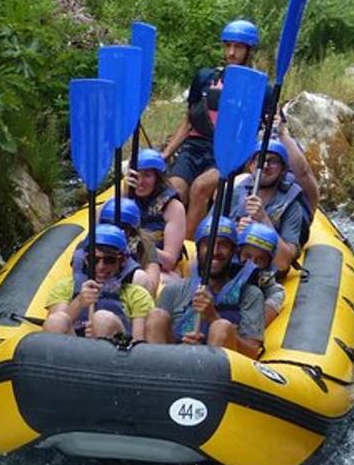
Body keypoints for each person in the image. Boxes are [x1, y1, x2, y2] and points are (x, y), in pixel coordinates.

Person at [160, 19, 274, 239]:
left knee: (200, 187)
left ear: (249, 51)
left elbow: (266, 131)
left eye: (238, 47)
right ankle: (167, 240)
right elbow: (188, 121)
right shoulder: (205, 78)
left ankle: (190, 247)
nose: (231, 52)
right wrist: (165, 154)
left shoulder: (262, 90)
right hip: (194, 148)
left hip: (230, 152)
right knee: (175, 189)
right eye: (228, 45)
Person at [144, 216, 265, 358]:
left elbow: (252, 352)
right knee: (156, 316)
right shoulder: (174, 290)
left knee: (221, 327)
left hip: (217, 369)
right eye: (208, 244)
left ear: (233, 252)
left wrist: (213, 317)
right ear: (198, 248)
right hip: (175, 362)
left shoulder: (251, 294)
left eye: (223, 245)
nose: (215, 252)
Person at [43, 224, 154, 339]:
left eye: (109, 260)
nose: (100, 267)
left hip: (115, 352)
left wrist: (103, 330)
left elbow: (138, 343)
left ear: (122, 261)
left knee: (102, 320)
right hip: (73, 349)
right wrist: (79, 302)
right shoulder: (65, 287)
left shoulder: (137, 295)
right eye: (93, 259)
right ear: (85, 259)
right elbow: (54, 324)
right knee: (56, 321)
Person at [229, 138, 313, 274]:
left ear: (283, 170)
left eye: (273, 161)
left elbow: (283, 263)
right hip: (231, 268)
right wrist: (233, 233)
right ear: (251, 165)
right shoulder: (236, 192)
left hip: (264, 276)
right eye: (260, 159)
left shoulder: (292, 205)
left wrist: (263, 219)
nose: (265, 165)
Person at [128, 149, 186, 285]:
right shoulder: (123, 200)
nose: (140, 181)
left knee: (143, 279)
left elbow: (170, 261)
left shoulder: (173, 207)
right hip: (125, 266)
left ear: (158, 179)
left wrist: (142, 245)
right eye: (137, 175)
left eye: (147, 175)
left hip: (162, 270)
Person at [95, 196, 162, 295]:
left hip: (128, 295)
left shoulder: (144, 244)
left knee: (141, 278)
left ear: (132, 231)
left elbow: (151, 285)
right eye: (108, 225)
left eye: (123, 228)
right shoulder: (91, 243)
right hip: (95, 293)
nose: (114, 232)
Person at [238, 222, 286, 326]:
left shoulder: (275, 292)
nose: (251, 264)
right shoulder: (221, 272)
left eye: (260, 260)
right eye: (247, 256)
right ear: (239, 253)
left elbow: (254, 327)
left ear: (268, 264)